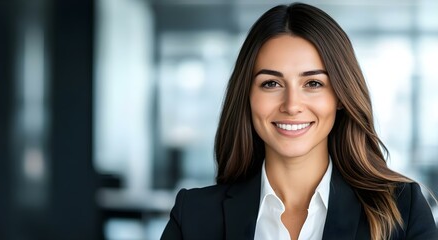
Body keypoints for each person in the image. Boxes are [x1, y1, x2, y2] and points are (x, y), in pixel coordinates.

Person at [160, 3, 438, 240]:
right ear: (247, 95)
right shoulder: (194, 215)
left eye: (313, 83)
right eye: (271, 83)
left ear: (340, 96)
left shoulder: (402, 211)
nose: (292, 105)